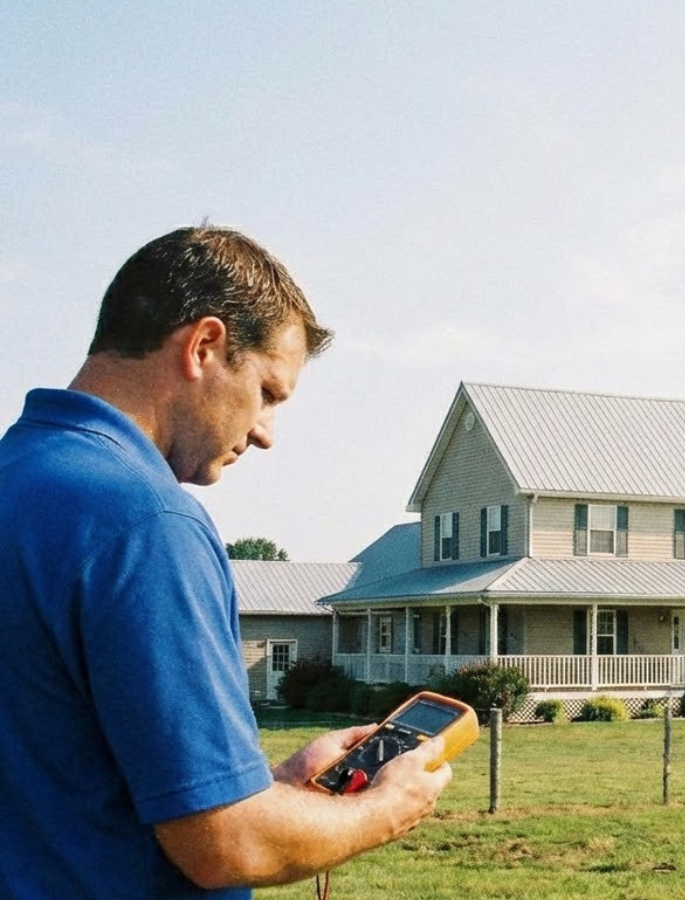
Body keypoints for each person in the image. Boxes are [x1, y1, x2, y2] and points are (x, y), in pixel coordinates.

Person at [0, 227, 451, 898]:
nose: (266, 432)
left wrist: (274, 787)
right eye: (268, 391)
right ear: (204, 346)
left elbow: (68, 781)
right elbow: (223, 844)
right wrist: (381, 810)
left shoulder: (19, 477)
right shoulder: (143, 520)